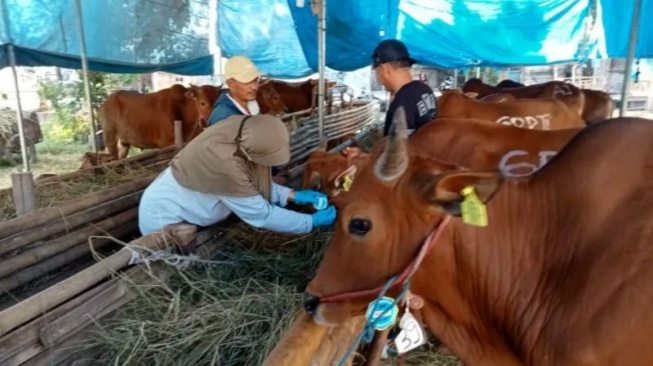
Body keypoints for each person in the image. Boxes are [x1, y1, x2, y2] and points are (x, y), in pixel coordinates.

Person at [138, 114, 337, 236]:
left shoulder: (242, 130)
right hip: (164, 222)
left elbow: (251, 181)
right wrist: (310, 222)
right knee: (179, 273)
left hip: (185, 210)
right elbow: (262, 214)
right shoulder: (223, 163)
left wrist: (293, 195)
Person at [344, 39, 437, 156]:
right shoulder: (425, 90)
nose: (379, 79)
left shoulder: (401, 104)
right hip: (428, 161)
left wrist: (363, 159)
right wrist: (365, 156)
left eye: (377, 72)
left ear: (384, 70)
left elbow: (394, 159)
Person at [206, 56, 262, 127]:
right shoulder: (223, 118)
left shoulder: (254, 107)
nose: (255, 87)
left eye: (255, 80)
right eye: (247, 82)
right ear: (231, 84)